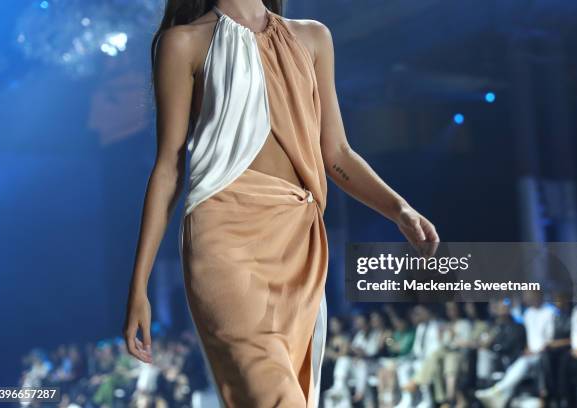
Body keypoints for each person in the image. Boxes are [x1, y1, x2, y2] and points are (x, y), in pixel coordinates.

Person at [122, 1, 440, 407]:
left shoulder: (312, 37)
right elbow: (168, 167)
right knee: (274, 394)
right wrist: (138, 286)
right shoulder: (182, 42)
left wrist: (399, 209)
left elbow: (337, 153)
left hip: (298, 240)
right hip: (223, 237)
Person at [476, 292, 555, 408]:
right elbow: (483, 343)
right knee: (484, 354)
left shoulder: (520, 324)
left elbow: (546, 339)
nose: (503, 308)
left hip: (531, 355)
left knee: (523, 361)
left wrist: (534, 350)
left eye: (505, 305)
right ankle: (486, 387)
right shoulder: (494, 325)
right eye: (500, 306)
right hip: (514, 356)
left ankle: (497, 390)